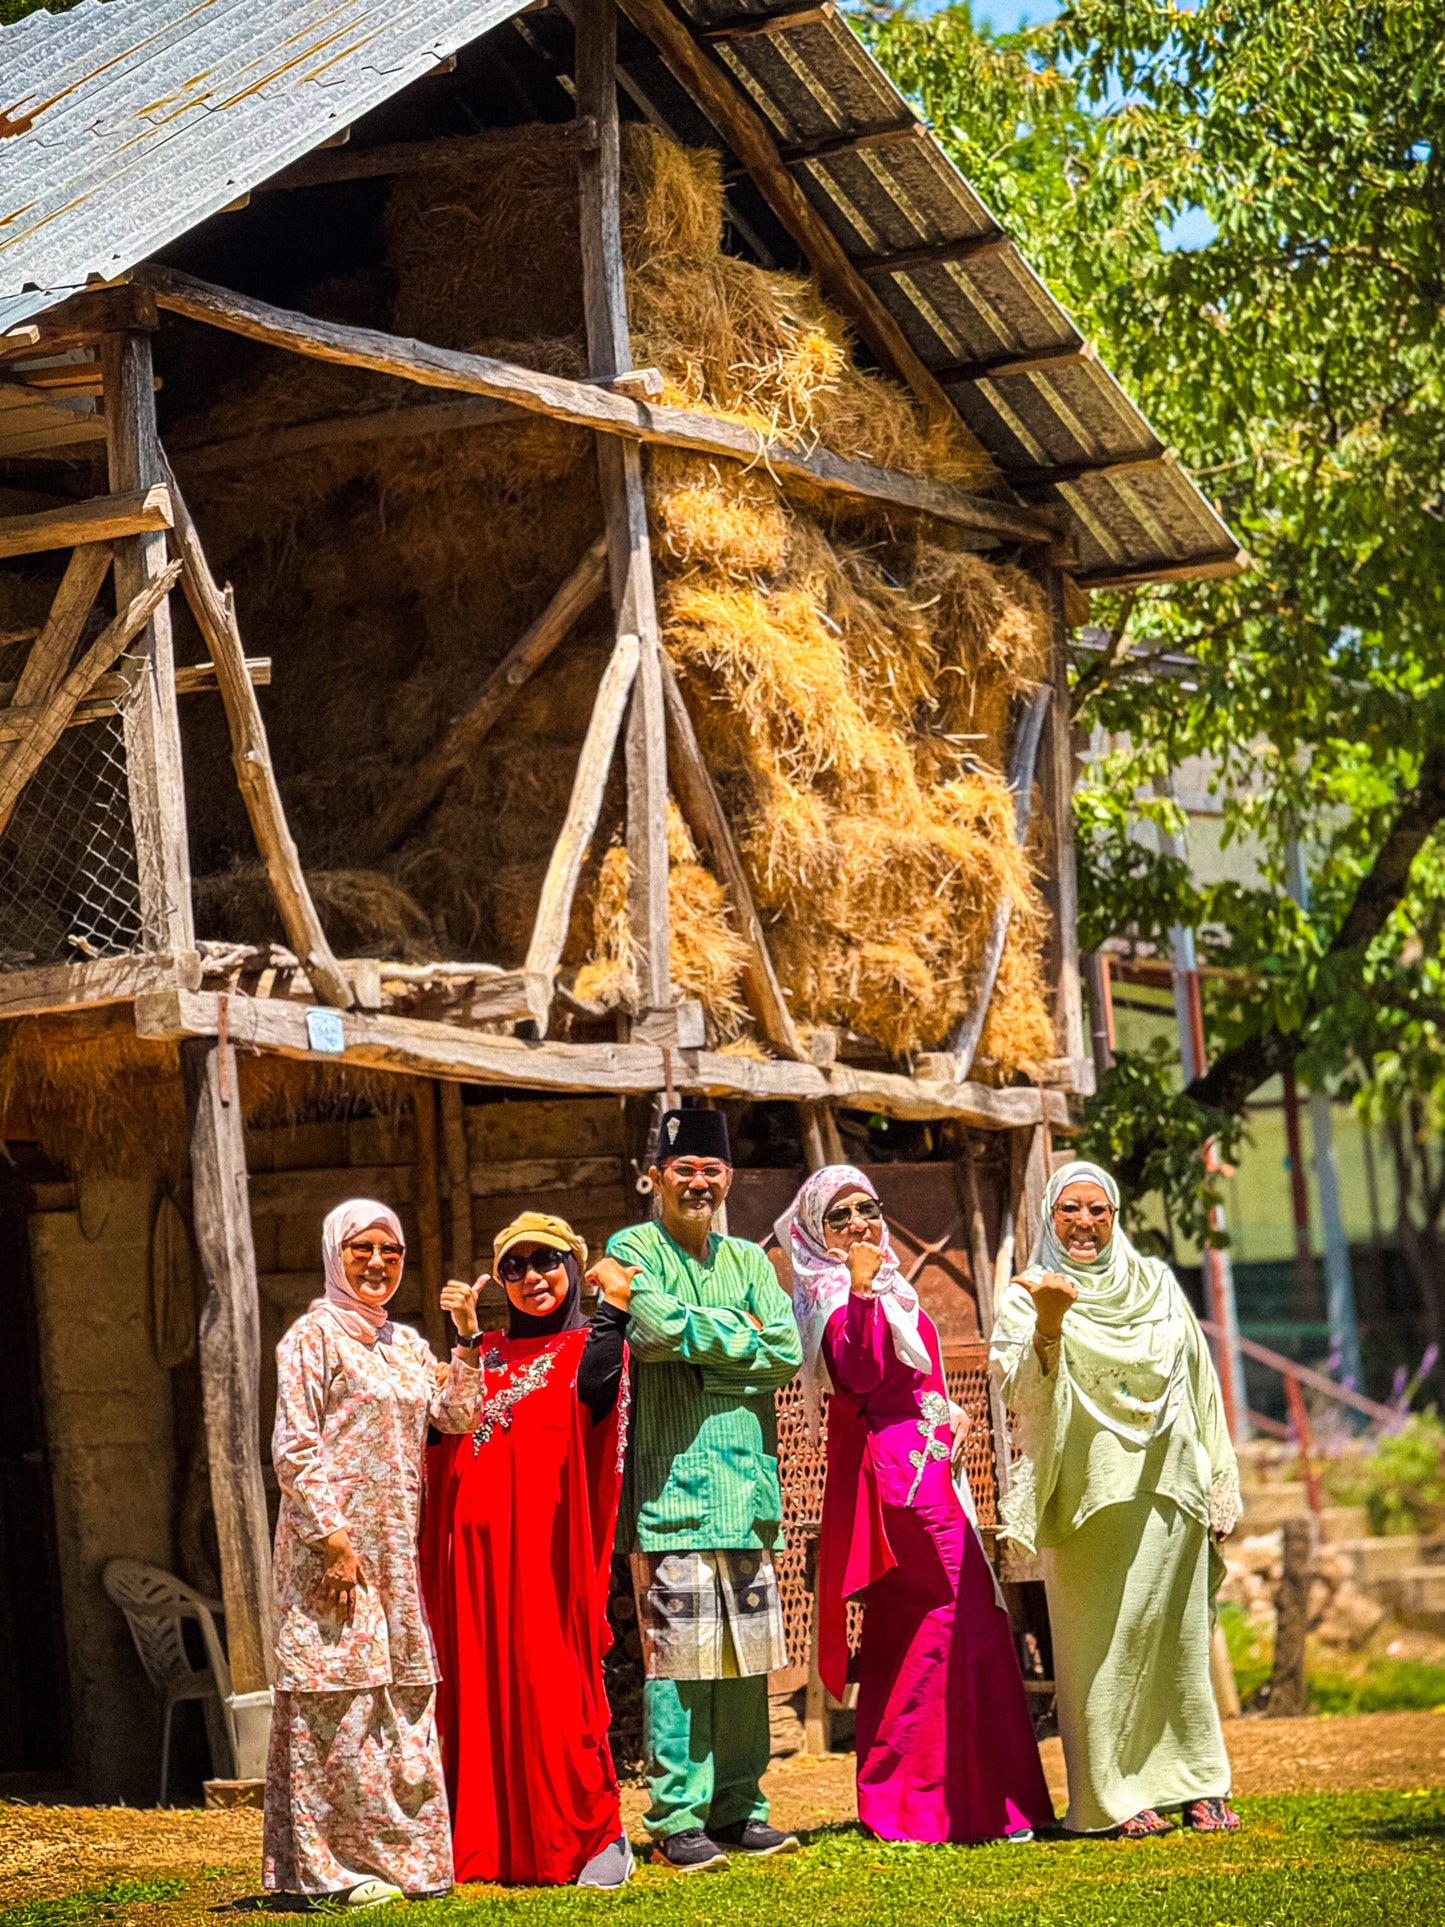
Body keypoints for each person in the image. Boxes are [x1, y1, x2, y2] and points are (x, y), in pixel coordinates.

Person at [780, 1164, 1053, 1845]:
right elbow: (862, 1377)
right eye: (837, 1217)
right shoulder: (830, 1290)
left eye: (866, 1208)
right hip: (901, 1479)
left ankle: (938, 1801)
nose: (857, 1225)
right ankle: (949, 1806)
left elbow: (911, 1383)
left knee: (939, 1626)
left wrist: (951, 1411)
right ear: (816, 1231)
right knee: (950, 1621)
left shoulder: (889, 1287)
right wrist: (864, 1289)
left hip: (927, 1462)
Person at [991, 1160, 1242, 1839]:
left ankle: (1199, 1780)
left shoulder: (1156, 1283)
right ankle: (1110, 1795)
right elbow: (1018, 1391)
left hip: (1171, 1484)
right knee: (1100, 1647)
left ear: (1115, 1216)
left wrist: (1218, 1480)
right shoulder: (1025, 1290)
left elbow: (1199, 1384)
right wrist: (1048, 1324)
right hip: (1089, 1495)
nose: (1084, 1223)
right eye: (1070, 1209)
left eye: (1097, 1210)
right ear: (1049, 1215)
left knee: (1177, 1642)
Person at [590, 1107, 803, 1873]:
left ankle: (740, 1804)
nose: (699, 1180)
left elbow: (784, 1349)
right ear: (657, 1175)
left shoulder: (750, 1258)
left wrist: (697, 1340)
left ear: (729, 1178)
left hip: (745, 1492)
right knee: (678, 1666)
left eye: (712, 1169)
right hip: (671, 1494)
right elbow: (646, 1329)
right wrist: (731, 1337)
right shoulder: (630, 1247)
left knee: (747, 1660)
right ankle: (677, 1814)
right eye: (685, 1167)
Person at [264, 1199, 484, 1906]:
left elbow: (455, 1416)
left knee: (396, 1699)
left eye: (391, 1251)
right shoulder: (311, 1338)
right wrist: (331, 1542)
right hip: (330, 1550)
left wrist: (467, 1341)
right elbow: (294, 1448)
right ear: (334, 1253)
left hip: (393, 1550)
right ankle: (325, 1872)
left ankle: (402, 1862)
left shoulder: (404, 1344)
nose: (378, 1263)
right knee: (334, 1704)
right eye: (362, 1248)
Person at [420, 1212, 634, 1889]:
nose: (532, 1277)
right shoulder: (483, 1351)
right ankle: (483, 1842)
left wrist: (615, 1308)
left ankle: (586, 1836)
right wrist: (460, 1337)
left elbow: (599, 1394)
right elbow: (439, 1430)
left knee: (552, 1689)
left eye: (546, 1261)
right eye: (514, 1266)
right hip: (476, 1566)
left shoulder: (590, 1344)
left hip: (544, 1559)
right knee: (480, 1693)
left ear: (573, 1265)